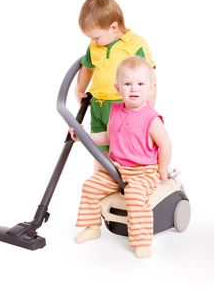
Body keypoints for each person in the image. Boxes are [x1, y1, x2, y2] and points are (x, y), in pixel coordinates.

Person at [70, 56, 172, 258]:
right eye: (127, 84)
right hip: (116, 168)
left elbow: (165, 145)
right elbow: (109, 136)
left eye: (140, 84)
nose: (134, 89)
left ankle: (142, 241)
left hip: (143, 171)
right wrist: (83, 136)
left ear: (151, 88)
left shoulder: (151, 118)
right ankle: (92, 227)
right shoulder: (115, 111)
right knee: (90, 186)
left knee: (134, 195)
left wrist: (162, 170)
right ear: (118, 88)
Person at [75, 0, 157, 163]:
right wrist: (80, 89)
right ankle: (101, 182)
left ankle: (126, 181)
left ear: (113, 27)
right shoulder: (95, 47)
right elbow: (87, 67)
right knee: (99, 150)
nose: (93, 41)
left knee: (120, 148)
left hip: (122, 105)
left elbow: (149, 78)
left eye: (96, 37)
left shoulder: (134, 44)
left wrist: (148, 111)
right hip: (98, 105)